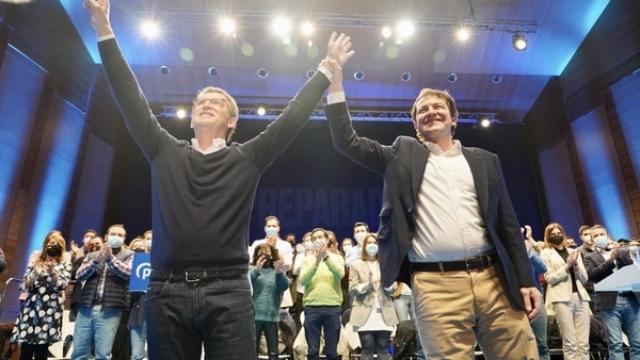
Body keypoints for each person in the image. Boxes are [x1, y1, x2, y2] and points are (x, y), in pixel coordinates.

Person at [84, 1, 352, 357]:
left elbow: (291, 118)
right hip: (166, 291)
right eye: (200, 102)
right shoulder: (164, 150)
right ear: (191, 118)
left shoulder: (247, 157)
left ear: (232, 121)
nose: (206, 103)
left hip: (228, 291)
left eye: (217, 101)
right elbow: (129, 96)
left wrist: (325, 70)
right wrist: (104, 28)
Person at [324, 60, 541, 357]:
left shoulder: (485, 160)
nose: (430, 112)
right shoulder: (400, 156)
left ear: (453, 118)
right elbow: (346, 142)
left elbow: (508, 225)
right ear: (415, 125)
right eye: (422, 110)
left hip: (495, 280)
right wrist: (335, 85)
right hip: (436, 285)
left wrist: (526, 280)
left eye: (437, 106)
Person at [71, 224, 134, 360]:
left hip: (110, 310)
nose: (116, 237)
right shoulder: (93, 255)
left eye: (120, 235)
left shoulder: (129, 254)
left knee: (103, 354)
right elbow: (79, 275)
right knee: (79, 352)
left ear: (124, 239)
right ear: (106, 237)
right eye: (113, 234)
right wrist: (96, 261)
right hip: (86, 307)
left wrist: (111, 259)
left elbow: (127, 273)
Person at [11, 230, 71, 360]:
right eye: (51, 243)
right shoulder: (36, 257)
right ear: (46, 244)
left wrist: (53, 272)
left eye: (58, 244)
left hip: (50, 310)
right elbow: (23, 286)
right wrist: (36, 272)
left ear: (62, 246)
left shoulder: (65, 260)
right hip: (32, 307)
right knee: (26, 348)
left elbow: (62, 285)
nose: (54, 246)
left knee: (42, 350)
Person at [583, 224, 640, 360]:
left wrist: (626, 254)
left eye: (601, 234)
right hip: (609, 301)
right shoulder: (590, 257)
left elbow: (633, 269)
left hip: (630, 298)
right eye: (595, 235)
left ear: (607, 235)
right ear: (592, 239)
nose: (599, 237)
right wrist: (611, 260)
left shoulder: (620, 250)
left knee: (637, 343)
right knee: (615, 343)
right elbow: (592, 275)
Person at [540, 223, 590, 360]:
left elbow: (584, 278)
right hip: (561, 299)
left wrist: (576, 266)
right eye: (553, 234)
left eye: (559, 233)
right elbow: (549, 278)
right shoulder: (545, 254)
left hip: (581, 297)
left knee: (584, 343)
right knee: (570, 343)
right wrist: (567, 266)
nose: (557, 235)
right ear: (548, 237)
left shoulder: (573, 252)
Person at [349, 234, 398, 360]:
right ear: (364, 246)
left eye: (375, 243)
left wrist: (388, 286)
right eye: (369, 242)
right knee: (367, 346)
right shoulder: (356, 265)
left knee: (383, 346)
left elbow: (393, 288)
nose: (372, 245)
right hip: (364, 311)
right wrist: (368, 284)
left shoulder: (386, 264)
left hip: (384, 310)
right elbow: (352, 289)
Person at [298, 228, 345, 360]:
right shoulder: (307, 259)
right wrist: (317, 261)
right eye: (314, 238)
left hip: (332, 307)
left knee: (332, 352)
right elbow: (303, 279)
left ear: (327, 239)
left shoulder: (337, 257)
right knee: (312, 351)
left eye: (320, 237)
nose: (318, 240)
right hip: (312, 307)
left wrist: (326, 257)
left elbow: (340, 274)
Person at [250, 243, 290, 360]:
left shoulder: (277, 271)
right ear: (256, 255)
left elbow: (284, 286)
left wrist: (279, 272)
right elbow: (247, 285)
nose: (264, 255)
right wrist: (257, 270)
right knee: (252, 351)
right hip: (254, 316)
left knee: (273, 353)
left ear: (272, 255)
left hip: (271, 316)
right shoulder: (252, 269)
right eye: (261, 252)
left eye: (267, 252)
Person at [523, 225, 550, 360]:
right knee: (521, 347)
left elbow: (543, 268)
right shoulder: (504, 256)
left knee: (542, 346)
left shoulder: (530, 252)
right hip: (516, 304)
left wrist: (529, 252)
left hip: (537, 303)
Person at [128, 238, 148, 360]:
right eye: (136, 247)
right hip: (137, 313)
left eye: (141, 246)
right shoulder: (127, 266)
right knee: (136, 355)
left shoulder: (155, 263)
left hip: (156, 314)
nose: (138, 249)